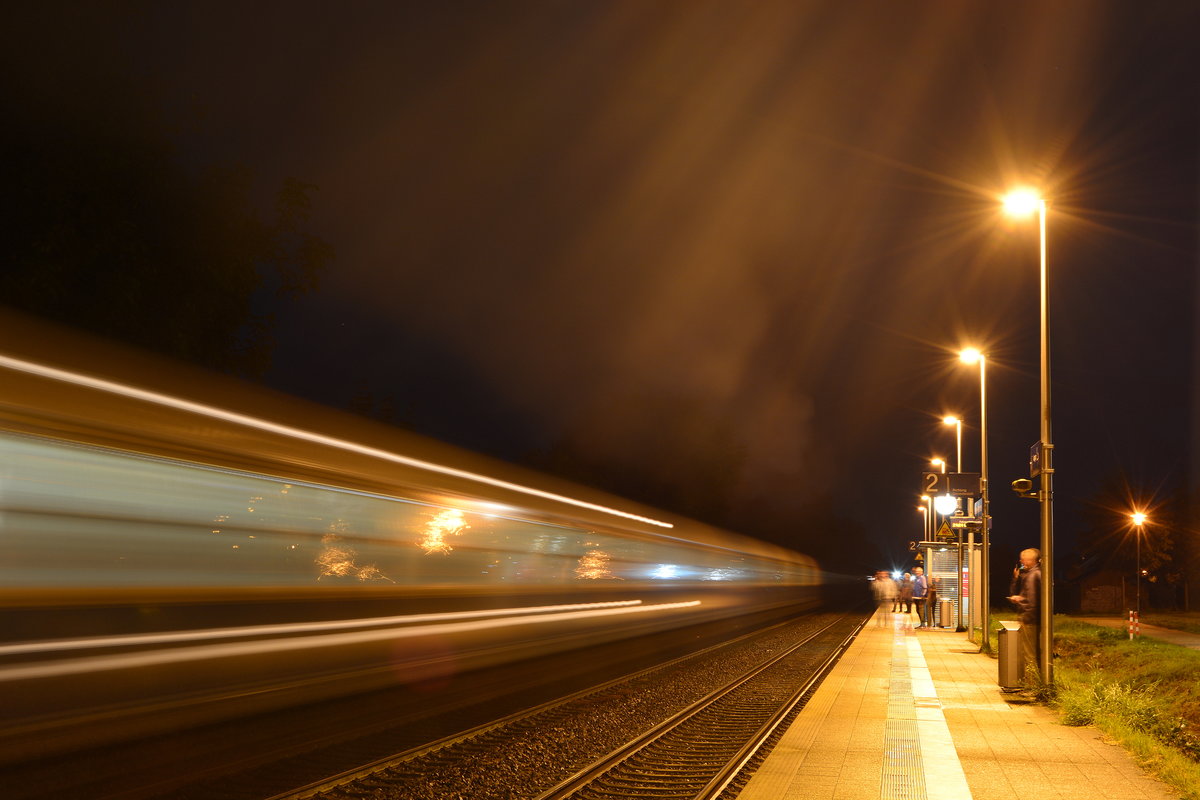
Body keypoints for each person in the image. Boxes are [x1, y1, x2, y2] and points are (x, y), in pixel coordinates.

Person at [1007, 548, 1042, 686]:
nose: (1021, 561)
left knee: (1029, 654)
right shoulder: (1034, 573)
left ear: (1029, 560)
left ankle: (1032, 685)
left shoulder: (1033, 575)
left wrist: (1020, 602)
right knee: (1032, 653)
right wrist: (1016, 579)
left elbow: (1032, 600)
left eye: (1022, 559)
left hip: (1030, 619)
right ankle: (1035, 684)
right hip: (1034, 617)